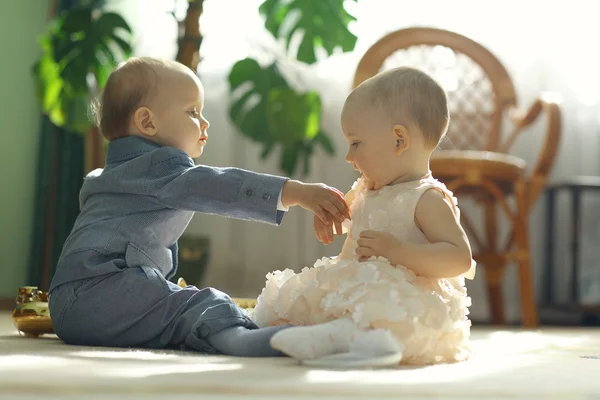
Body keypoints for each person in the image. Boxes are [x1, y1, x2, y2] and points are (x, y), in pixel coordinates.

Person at [48, 57, 354, 358]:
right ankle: (254, 342)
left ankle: (242, 332)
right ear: (147, 122)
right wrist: (295, 191)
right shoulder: (159, 166)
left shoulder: (107, 175)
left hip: (65, 304)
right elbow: (218, 185)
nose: (204, 122)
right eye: (193, 112)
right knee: (202, 304)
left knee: (177, 313)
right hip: (104, 290)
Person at [253, 66, 477, 366]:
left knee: (379, 309)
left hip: (404, 296)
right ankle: (330, 335)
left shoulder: (426, 198)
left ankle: (356, 341)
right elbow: (347, 217)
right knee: (295, 303)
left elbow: (459, 259)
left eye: (355, 143)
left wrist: (399, 252)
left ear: (399, 140)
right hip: (356, 285)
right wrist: (327, 214)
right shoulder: (367, 188)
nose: (348, 156)